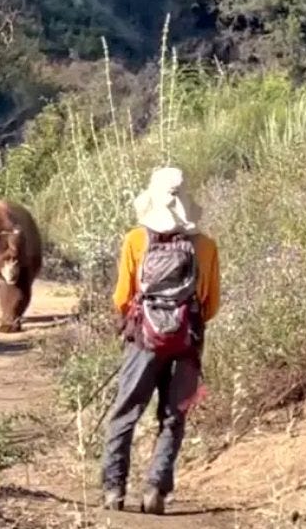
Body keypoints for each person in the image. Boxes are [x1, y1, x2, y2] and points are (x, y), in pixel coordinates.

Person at [99, 166, 220, 515]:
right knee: (173, 415)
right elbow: (211, 304)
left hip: (143, 340)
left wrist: (146, 322)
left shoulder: (136, 240)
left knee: (125, 412)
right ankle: (155, 490)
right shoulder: (206, 246)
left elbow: (122, 297)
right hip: (187, 339)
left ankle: (113, 490)